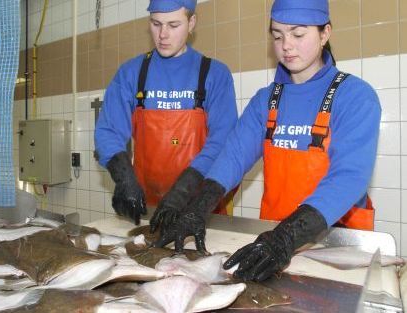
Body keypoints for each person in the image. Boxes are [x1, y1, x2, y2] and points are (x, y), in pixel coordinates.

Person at [153, 0, 381, 281]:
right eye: (277, 35)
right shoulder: (266, 100)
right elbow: (232, 157)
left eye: (298, 34)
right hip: (270, 249)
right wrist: (197, 208)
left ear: (325, 34)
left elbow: (349, 178)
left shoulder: (355, 96)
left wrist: (286, 237)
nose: (286, 45)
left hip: (334, 247)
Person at [94, 0, 238, 225]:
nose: (163, 34)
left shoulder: (214, 74)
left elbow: (223, 141)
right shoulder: (132, 73)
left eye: (173, 25)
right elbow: (108, 131)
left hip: (201, 211)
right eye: (156, 23)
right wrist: (124, 177)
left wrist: (183, 190)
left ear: (191, 23)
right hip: (148, 210)